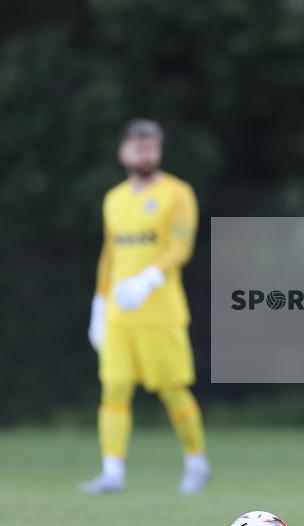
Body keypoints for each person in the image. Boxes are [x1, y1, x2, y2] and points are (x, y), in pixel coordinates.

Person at [81, 118, 210, 495]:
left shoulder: (177, 193)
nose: (146, 152)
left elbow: (180, 246)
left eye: (152, 146)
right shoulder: (113, 199)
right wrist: (99, 303)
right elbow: (109, 253)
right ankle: (112, 472)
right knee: (114, 388)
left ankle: (196, 462)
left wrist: (148, 279)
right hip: (120, 316)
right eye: (138, 146)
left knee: (173, 390)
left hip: (161, 312)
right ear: (123, 153)